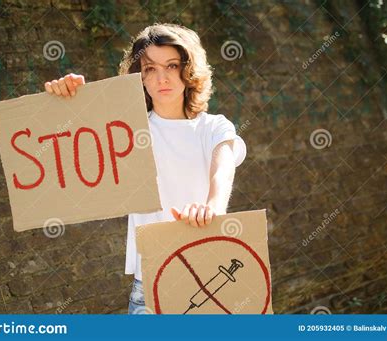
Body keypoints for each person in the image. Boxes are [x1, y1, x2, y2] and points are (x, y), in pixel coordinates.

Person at [44, 23, 247, 314]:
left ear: (188, 69)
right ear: (140, 76)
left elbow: (223, 166)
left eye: (172, 65)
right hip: (152, 284)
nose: (162, 78)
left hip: (209, 274)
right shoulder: (126, 131)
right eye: (150, 68)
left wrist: (213, 206)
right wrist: (62, 102)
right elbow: (72, 147)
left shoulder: (214, 127)